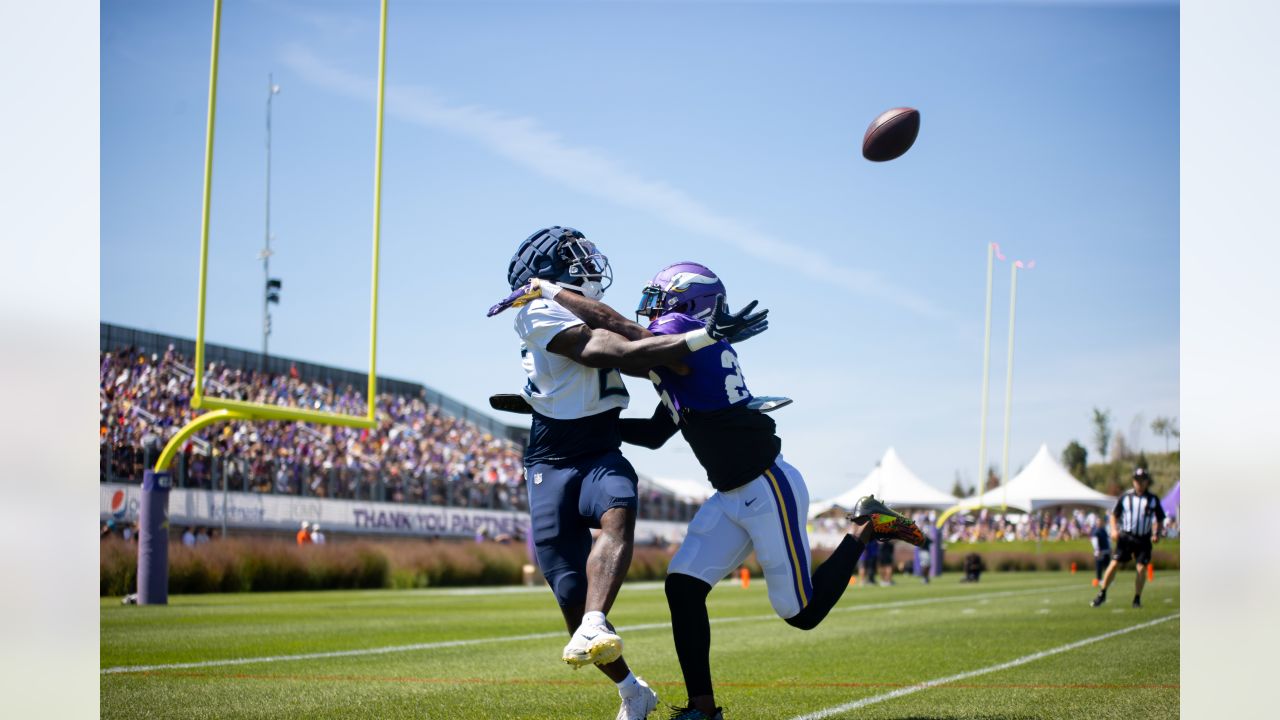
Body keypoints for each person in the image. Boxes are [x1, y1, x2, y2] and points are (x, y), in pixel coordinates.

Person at [527, 260, 923, 720]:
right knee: (683, 588)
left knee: (802, 613)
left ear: (686, 301)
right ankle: (702, 709)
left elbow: (616, 328)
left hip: (767, 485)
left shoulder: (679, 335)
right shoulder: (683, 351)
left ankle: (865, 526)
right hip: (732, 494)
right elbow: (656, 434)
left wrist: (550, 292)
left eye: (661, 296)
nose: (651, 306)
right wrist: (573, 421)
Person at [488, 230, 768, 720]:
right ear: (544, 270)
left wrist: (695, 343)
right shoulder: (535, 310)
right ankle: (632, 689)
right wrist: (698, 338)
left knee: (618, 508)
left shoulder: (575, 304)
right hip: (551, 459)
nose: (588, 262)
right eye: (572, 257)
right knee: (568, 591)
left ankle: (597, 621)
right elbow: (607, 348)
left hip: (600, 445)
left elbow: (637, 342)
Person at [1092, 467, 1165, 609]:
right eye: (1137, 480)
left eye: (1142, 480)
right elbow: (1114, 515)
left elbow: (1160, 518)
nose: (1139, 483)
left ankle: (1137, 599)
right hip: (1126, 537)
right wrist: (1113, 530)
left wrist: (1157, 533)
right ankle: (1102, 593)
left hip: (1143, 538)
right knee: (1114, 564)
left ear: (1146, 482)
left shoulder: (1152, 499)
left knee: (1141, 568)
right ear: (1133, 481)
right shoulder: (1126, 497)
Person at [1090, 520, 1111, 587]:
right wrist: (1097, 550)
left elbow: (1108, 540)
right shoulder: (1096, 531)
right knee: (1099, 566)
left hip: (1106, 550)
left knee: (1107, 565)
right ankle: (1099, 579)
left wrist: (1109, 548)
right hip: (1100, 551)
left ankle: (1107, 579)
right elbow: (1094, 541)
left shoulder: (1104, 531)